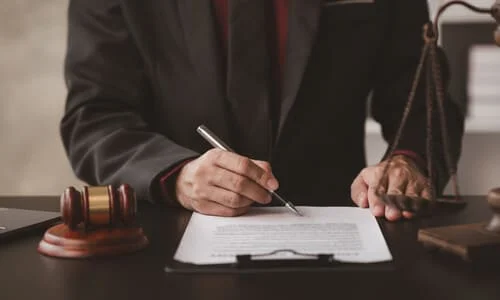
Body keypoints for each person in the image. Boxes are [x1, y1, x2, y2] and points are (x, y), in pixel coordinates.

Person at [60, 0, 464, 221]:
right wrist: (177, 177)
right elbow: (96, 115)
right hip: (167, 237)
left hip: (343, 229)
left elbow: (422, 90)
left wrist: (408, 161)